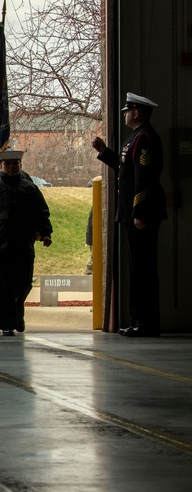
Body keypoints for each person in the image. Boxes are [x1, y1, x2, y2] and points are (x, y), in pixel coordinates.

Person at [93, 92, 168, 337]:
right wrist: (105, 152)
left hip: (140, 213)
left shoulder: (145, 137)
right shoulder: (135, 137)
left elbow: (144, 178)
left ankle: (146, 323)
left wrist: (139, 211)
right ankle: (138, 320)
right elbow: (125, 168)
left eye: (127, 111)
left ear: (136, 113)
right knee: (137, 270)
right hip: (131, 213)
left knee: (144, 270)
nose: (124, 115)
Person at [0, 149, 53, 336]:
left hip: (24, 244)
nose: (11, 167)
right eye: (7, 165)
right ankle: (7, 324)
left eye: (15, 164)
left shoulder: (30, 188)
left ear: (20, 166)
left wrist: (45, 233)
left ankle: (17, 312)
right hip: (0, 245)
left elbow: (41, 212)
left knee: (24, 283)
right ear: (1, 166)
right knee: (3, 286)